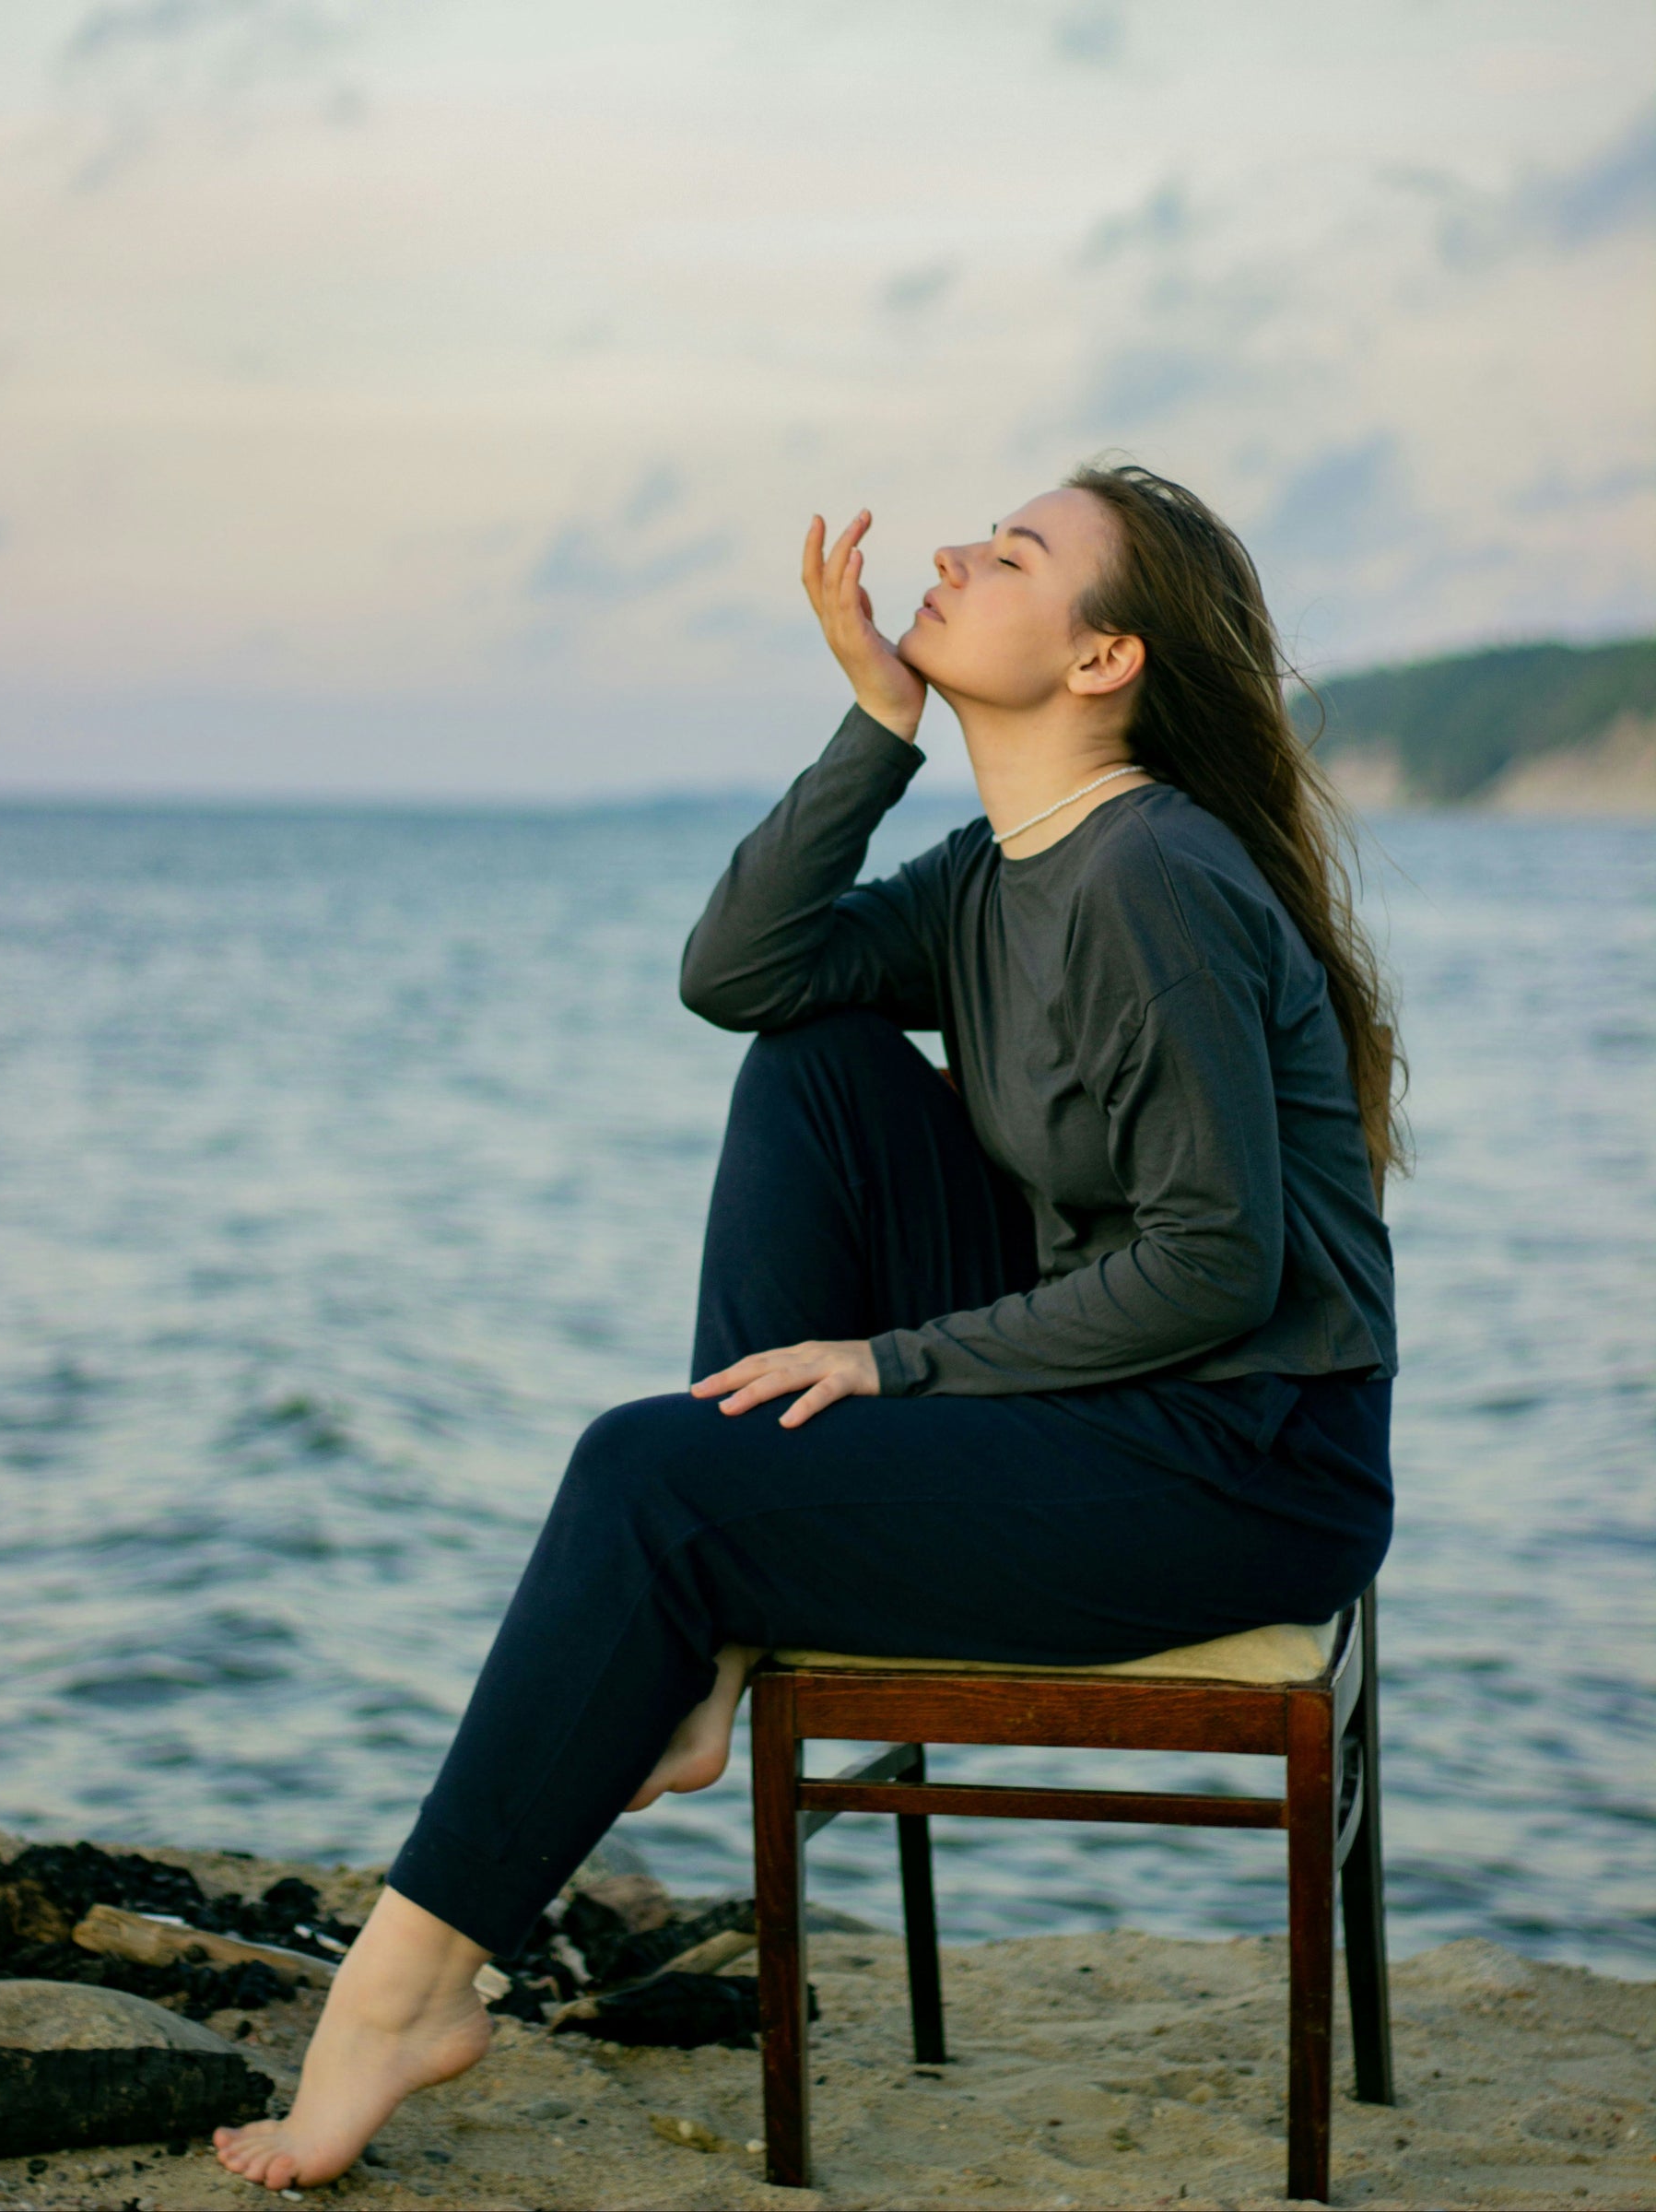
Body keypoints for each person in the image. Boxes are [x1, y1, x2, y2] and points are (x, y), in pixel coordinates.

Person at [213, 459, 1404, 2192]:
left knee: (649, 1476)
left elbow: (1219, 1271)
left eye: (1011, 555)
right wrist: (874, 726)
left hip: (1240, 1456)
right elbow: (741, 977)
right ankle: (714, 1647)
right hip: (1122, 1383)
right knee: (817, 1072)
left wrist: (895, 1359)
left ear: (1101, 662)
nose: (949, 553)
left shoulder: (1152, 880)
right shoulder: (1003, 871)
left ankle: (409, 1989)